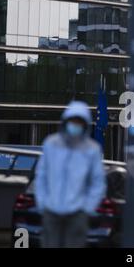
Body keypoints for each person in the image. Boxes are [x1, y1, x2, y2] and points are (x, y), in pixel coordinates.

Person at [35, 101, 107, 248]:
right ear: (65, 122)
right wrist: (43, 203)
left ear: (85, 125)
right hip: (51, 210)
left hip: (77, 213)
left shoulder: (92, 149)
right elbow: (41, 175)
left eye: (79, 122)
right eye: (72, 121)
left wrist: (87, 208)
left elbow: (98, 182)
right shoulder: (51, 144)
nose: (75, 125)